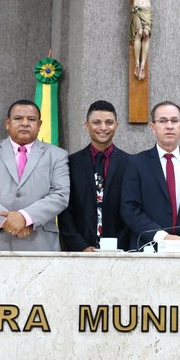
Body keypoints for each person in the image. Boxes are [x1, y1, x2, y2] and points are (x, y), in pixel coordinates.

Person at [0, 99, 69, 251]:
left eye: (31, 119)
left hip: (39, 242)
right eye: (18, 118)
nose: (25, 123)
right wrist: (8, 222)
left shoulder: (57, 155)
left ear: (40, 125)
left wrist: (26, 217)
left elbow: (60, 195)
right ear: (7, 123)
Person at [121, 101, 180, 250]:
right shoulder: (136, 163)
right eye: (163, 121)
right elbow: (129, 208)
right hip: (148, 248)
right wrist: (163, 237)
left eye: (174, 120)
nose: (169, 126)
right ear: (153, 127)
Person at [58, 100, 131, 251]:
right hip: (80, 250)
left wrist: (118, 245)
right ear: (86, 125)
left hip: (121, 250)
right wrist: (80, 246)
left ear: (116, 125)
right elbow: (65, 211)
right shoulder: (71, 163)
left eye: (109, 122)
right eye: (96, 122)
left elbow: (132, 208)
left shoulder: (130, 163)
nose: (103, 127)